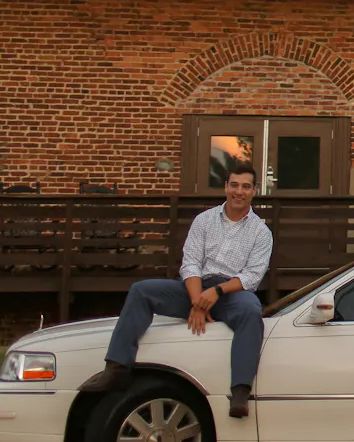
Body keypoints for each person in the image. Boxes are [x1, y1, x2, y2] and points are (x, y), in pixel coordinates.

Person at [78, 159, 273, 418]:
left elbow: (251, 276)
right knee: (141, 290)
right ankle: (117, 368)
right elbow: (191, 263)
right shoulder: (204, 221)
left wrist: (214, 294)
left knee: (251, 311)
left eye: (246, 186)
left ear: (254, 191)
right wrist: (197, 302)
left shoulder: (261, 232)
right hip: (195, 287)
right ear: (225, 186)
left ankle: (240, 390)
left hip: (230, 293)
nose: (239, 191)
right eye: (234, 185)